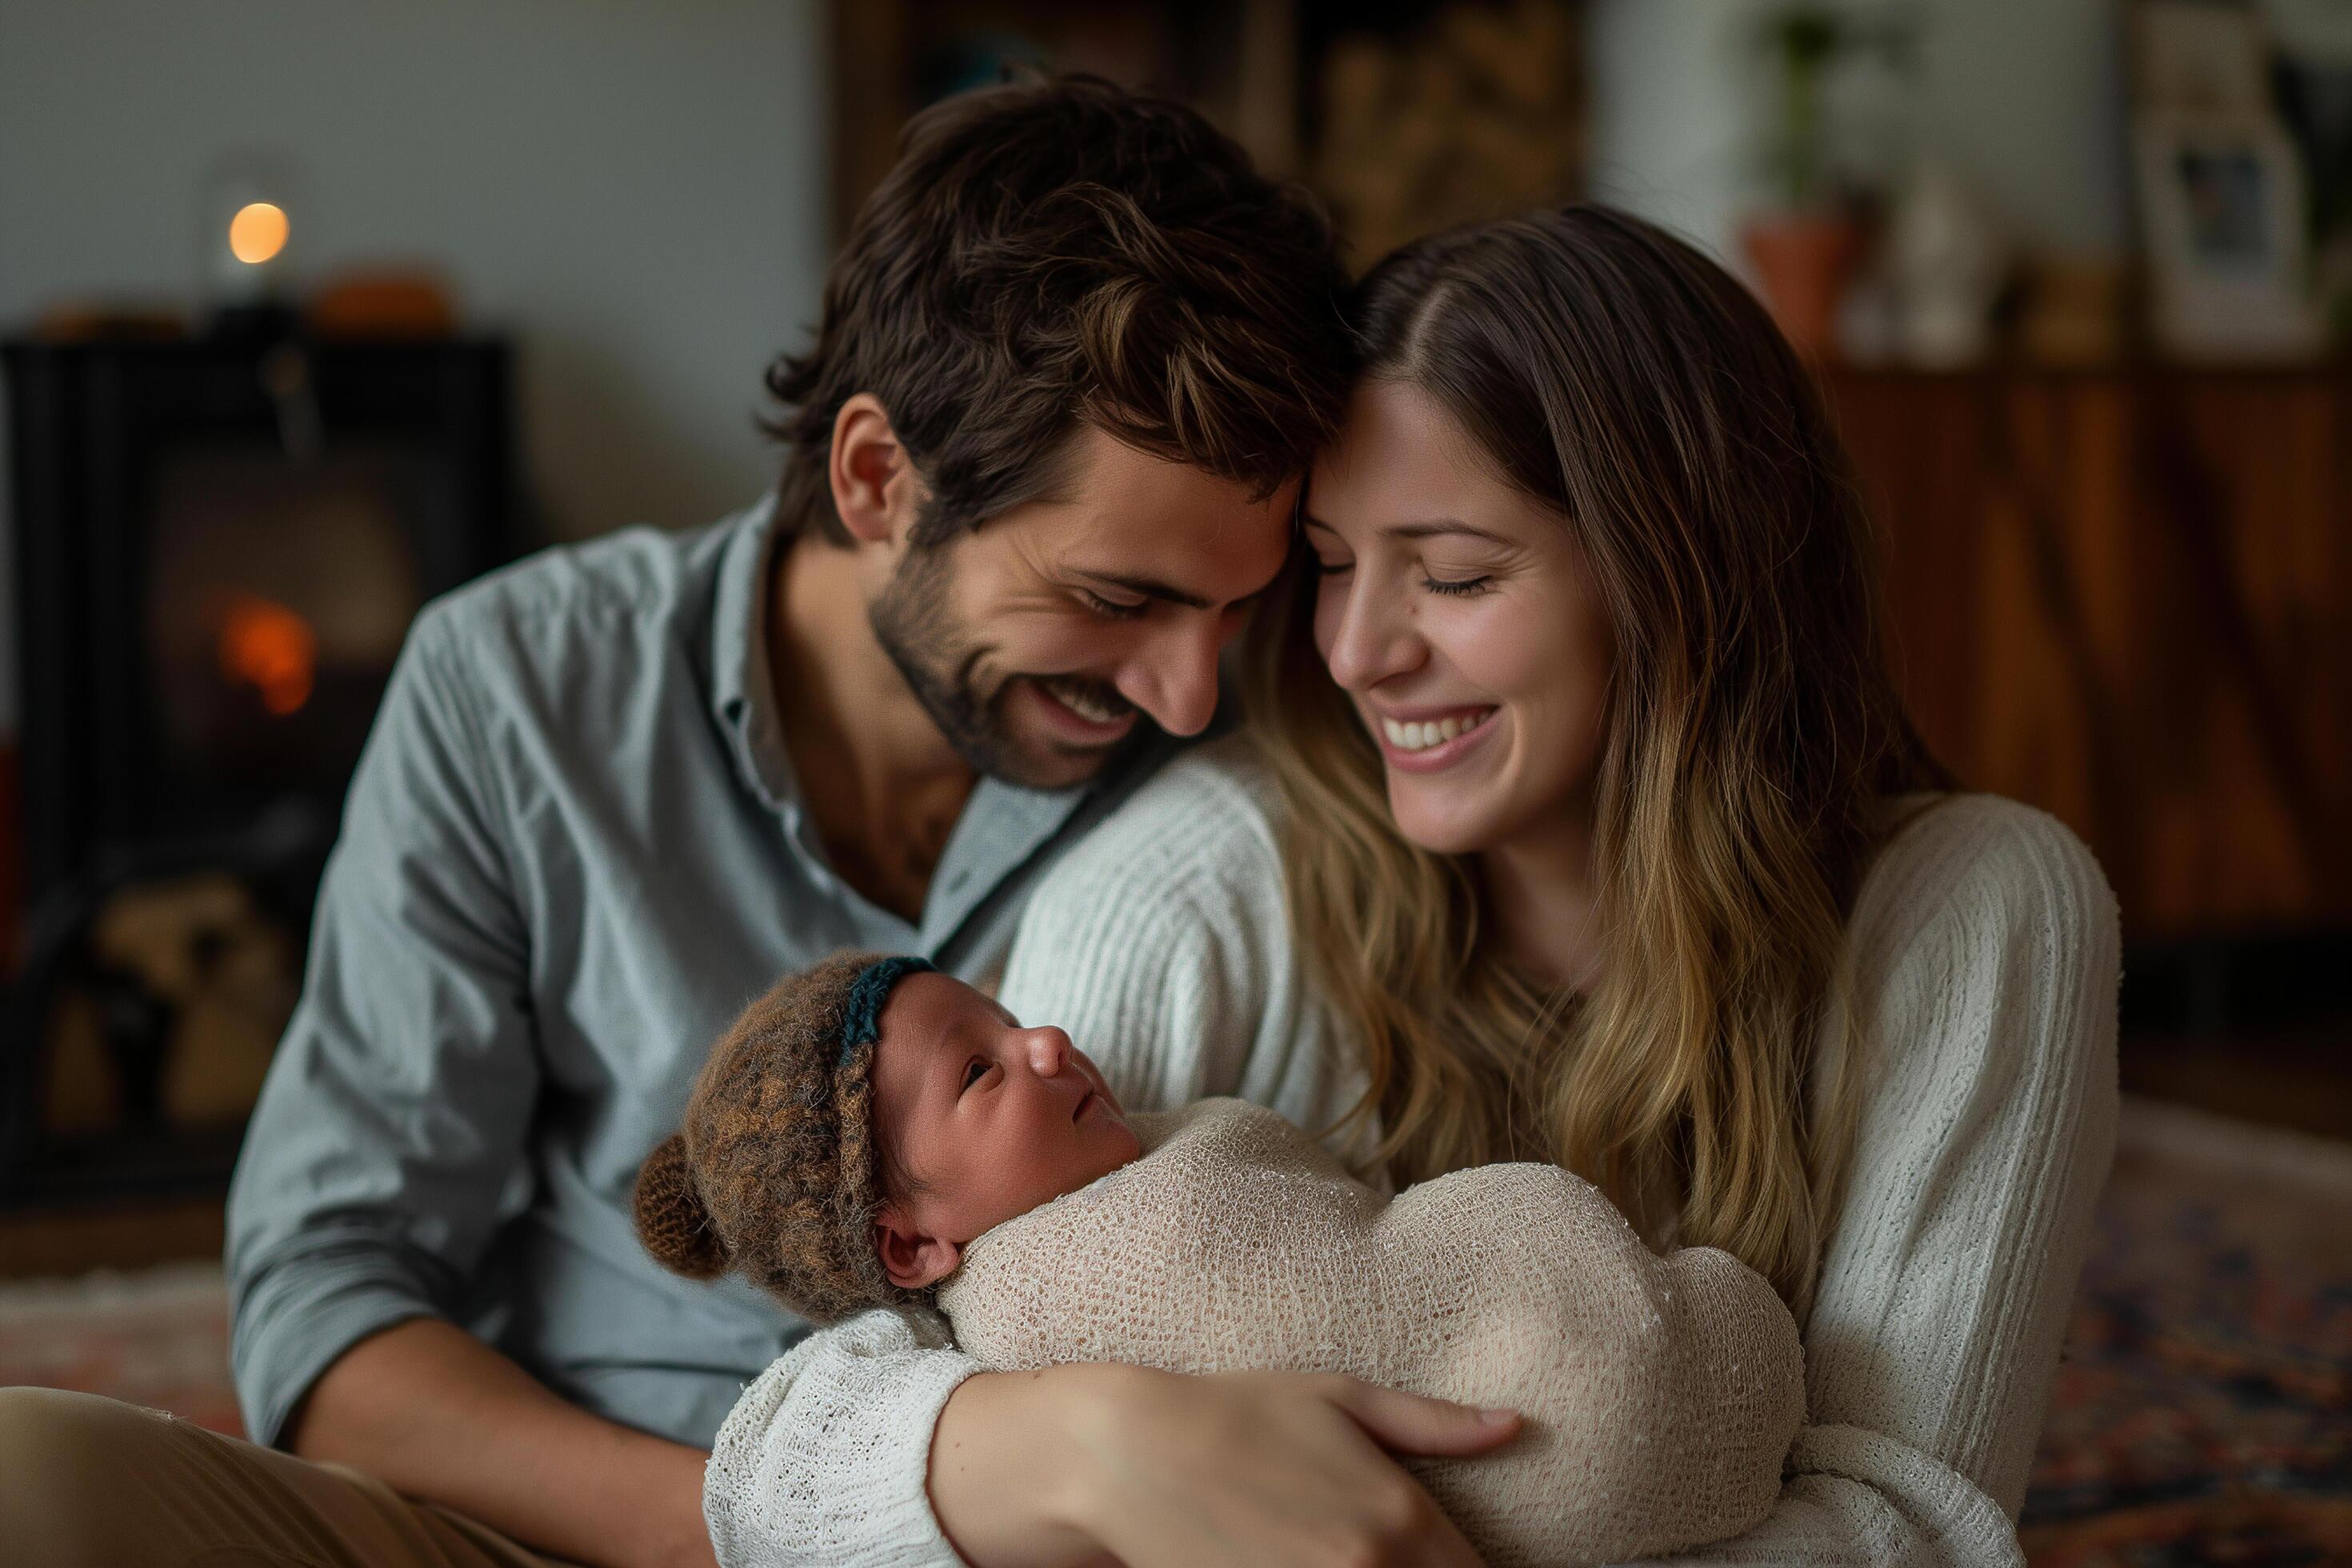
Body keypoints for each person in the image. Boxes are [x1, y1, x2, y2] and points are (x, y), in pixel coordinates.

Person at [0, 77, 1510, 1568]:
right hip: (587, 1525)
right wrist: (760, 1527)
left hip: (1074, 1543)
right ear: (876, 480)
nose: (1191, 698)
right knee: (34, 1474)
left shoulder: (1249, 760)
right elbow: (328, 1314)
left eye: (1238, 606)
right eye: (1115, 602)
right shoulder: (517, 689)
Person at [731, 206, 2122, 1568]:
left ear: (1681, 575)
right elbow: (783, 1476)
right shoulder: (1209, 881)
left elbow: (1918, 1529)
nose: (1354, 653)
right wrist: (1100, 1441)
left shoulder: (1977, 910)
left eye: (1453, 576)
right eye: (1330, 570)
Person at [634, 950, 1806, 1568]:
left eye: (1007, 1016)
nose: (1043, 1041)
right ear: (912, 1244)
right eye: (981, 1072)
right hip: (1610, 1393)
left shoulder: (1133, 1154)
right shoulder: (1051, 1303)